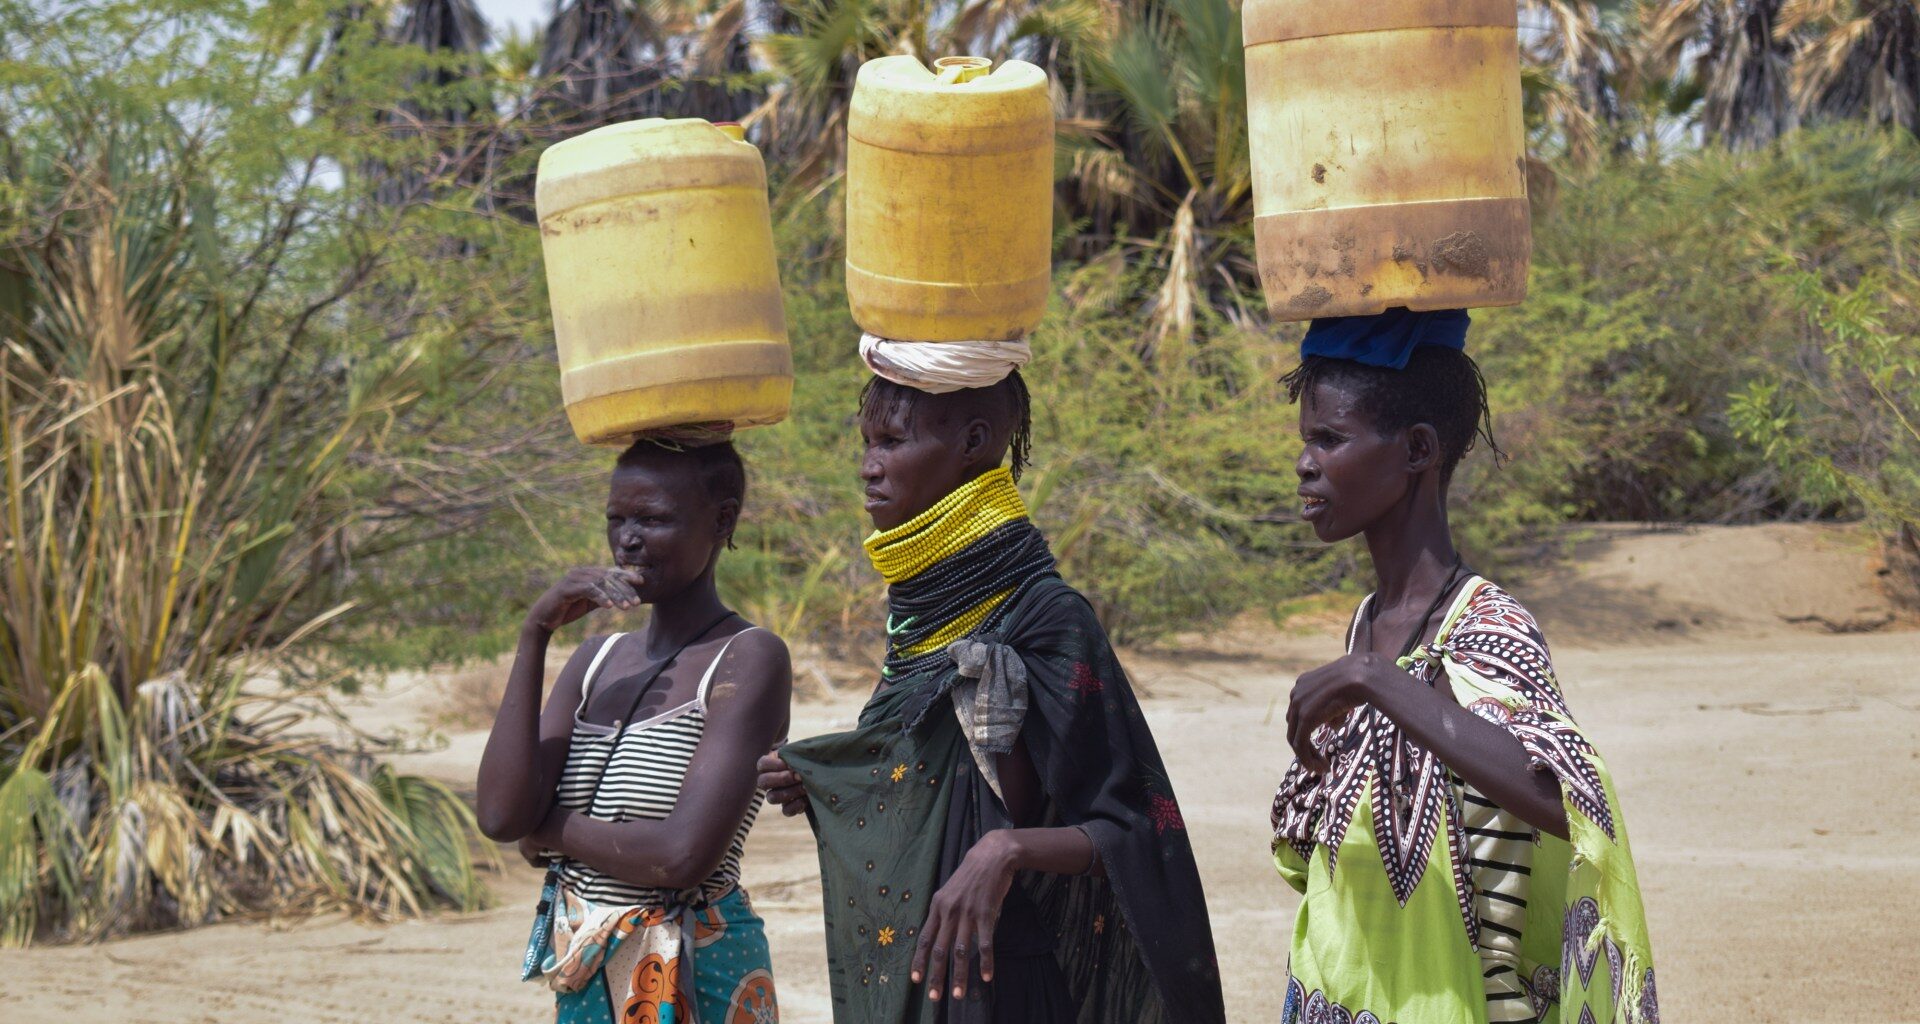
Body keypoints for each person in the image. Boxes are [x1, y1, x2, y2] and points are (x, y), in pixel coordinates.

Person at [756, 369, 1226, 1024]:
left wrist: (1005, 851)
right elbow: (917, 791)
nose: (868, 467)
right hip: (923, 984)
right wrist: (826, 782)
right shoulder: (918, 623)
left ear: (973, 442)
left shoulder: (1046, 619)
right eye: (865, 443)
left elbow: (1137, 831)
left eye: (891, 441)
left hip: (1009, 989)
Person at [1270, 308, 1658, 1024]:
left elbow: (1571, 803)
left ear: (1418, 449)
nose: (1305, 463)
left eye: (1329, 439)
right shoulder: (1368, 623)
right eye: (1305, 440)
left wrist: (1376, 681)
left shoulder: (1487, 628)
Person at [476, 438, 789, 1024]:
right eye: (616, 519)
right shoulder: (596, 659)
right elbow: (498, 816)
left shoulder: (749, 659)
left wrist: (545, 828)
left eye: (653, 518)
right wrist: (535, 633)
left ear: (723, 519)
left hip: (697, 965)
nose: (628, 539)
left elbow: (680, 857)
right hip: (589, 964)